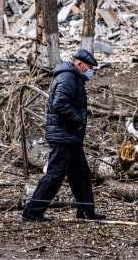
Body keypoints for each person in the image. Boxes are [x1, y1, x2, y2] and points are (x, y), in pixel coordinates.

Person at [21, 48, 106, 222]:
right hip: (64, 135)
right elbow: (59, 103)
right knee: (54, 174)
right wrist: (78, 122)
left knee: (81, 174)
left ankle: (85, 212)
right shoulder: (68, 78)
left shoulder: (74, 78)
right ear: (79, 64)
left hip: (70, 136)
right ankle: (32, 212)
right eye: (89, 67)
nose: (91, 71)